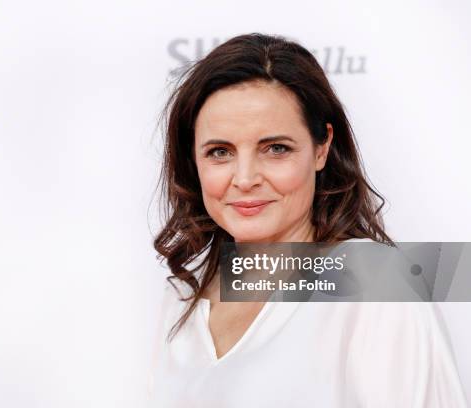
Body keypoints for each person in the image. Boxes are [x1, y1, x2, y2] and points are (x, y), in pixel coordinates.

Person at [149, 33, 469, 407]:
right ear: (194, 161)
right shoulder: (181, 298)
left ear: (321, 148)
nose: (246, 178)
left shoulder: (375, 281)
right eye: (220, 152)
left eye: (276, 149)